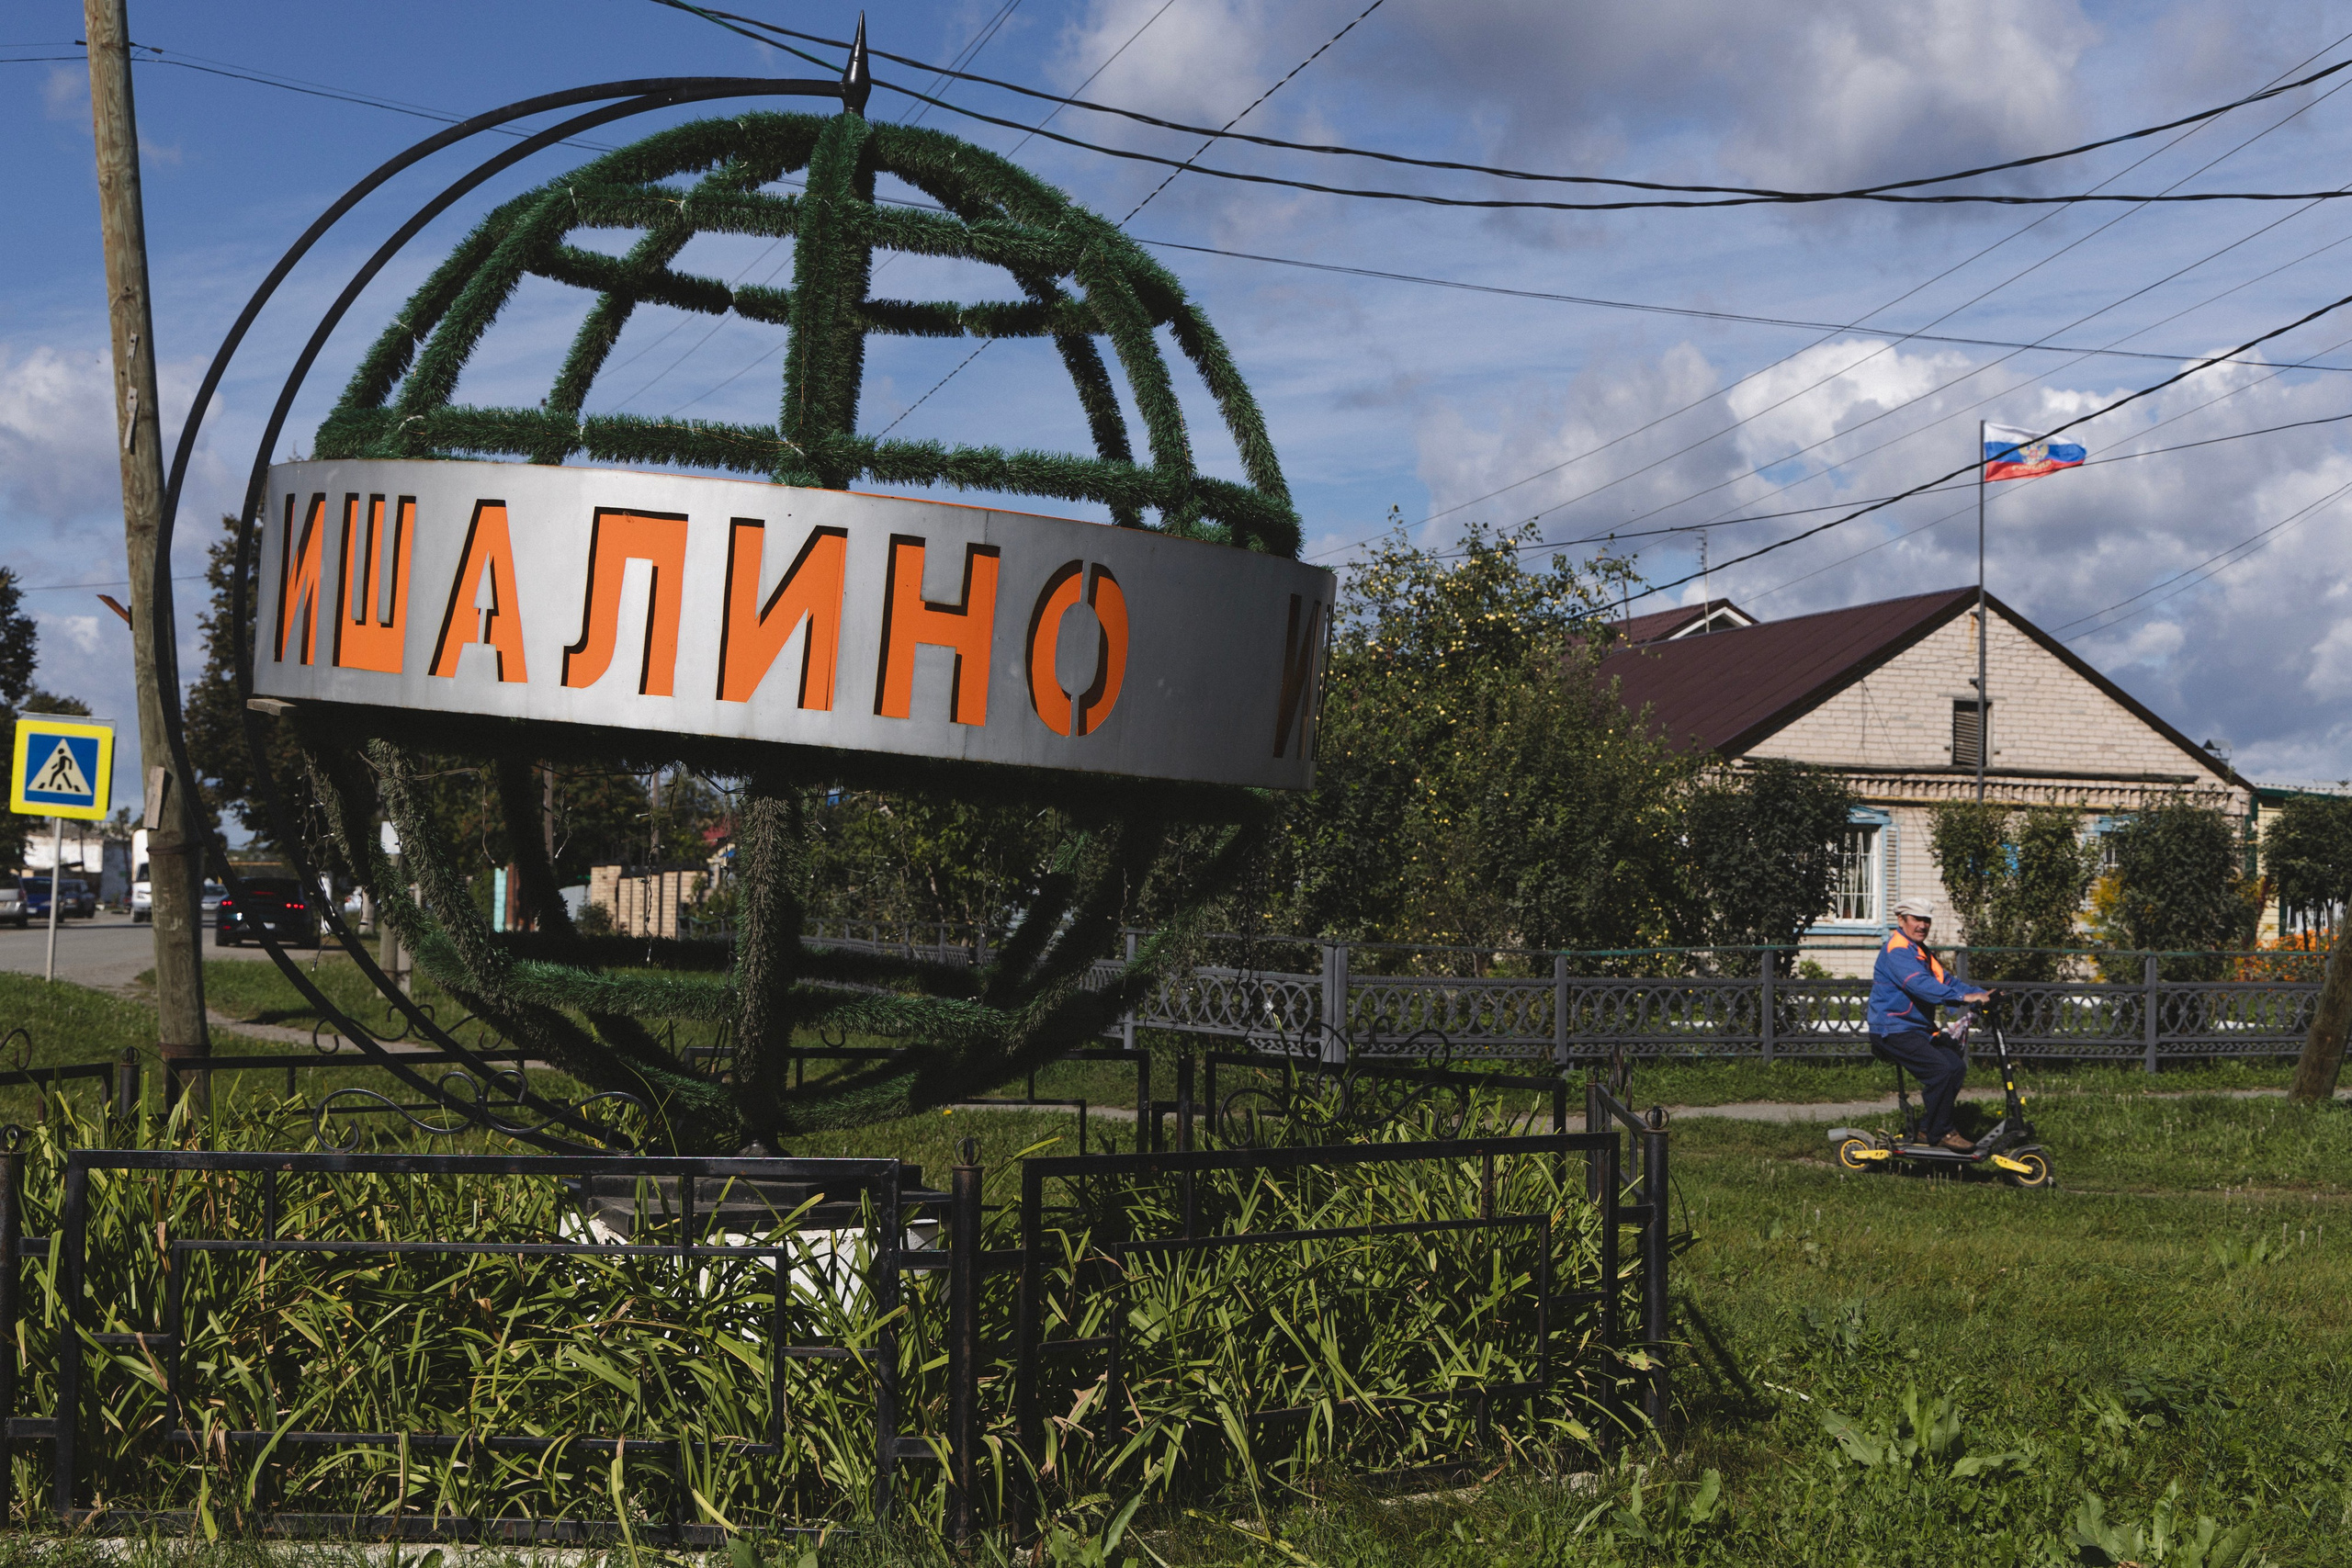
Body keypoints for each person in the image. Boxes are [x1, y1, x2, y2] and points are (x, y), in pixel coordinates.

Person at [1867, 897, 1990, 1151]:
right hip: (1893, 1028)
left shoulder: (1921, 951)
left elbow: (1948, 982)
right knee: (1940, 1071)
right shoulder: (1898, 951)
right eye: (1916, 920)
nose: (1922, 925)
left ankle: (1927, 1129)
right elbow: (1919, 985)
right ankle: (1941, 1132)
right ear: (1901, 921)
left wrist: (1983, 994)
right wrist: (1965, 998)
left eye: (1926, 920)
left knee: (1955, 1067)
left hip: (1916, 1029)